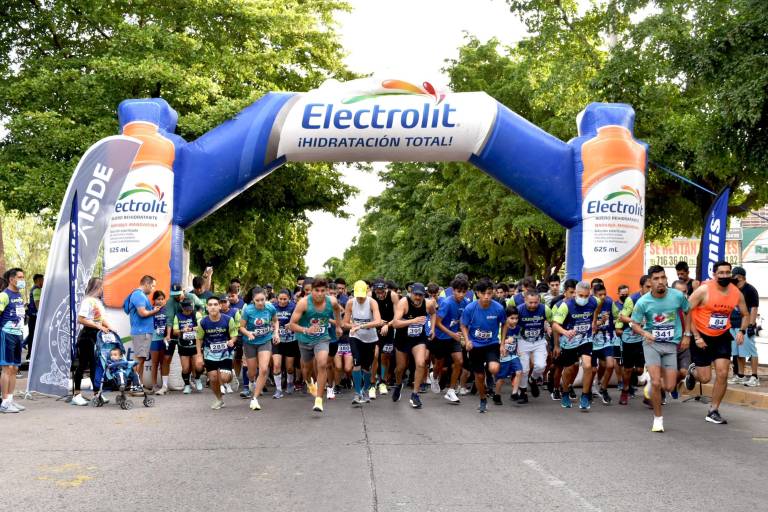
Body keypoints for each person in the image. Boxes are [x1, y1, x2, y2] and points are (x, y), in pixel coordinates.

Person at [685, 260, 749, 424]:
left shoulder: (736, 293)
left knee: (722, 373)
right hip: (702, 336)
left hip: (722, 336)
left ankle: (713, 410)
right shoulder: (704, 290)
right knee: (705, 378)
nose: (725, 275)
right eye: (721, 273)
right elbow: (687, 311)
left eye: (728, 272)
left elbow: (745, 314)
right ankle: (692, 371)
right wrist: (696, 336)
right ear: (714, 275)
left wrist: (741, 331)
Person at [630, 265, 691, 432]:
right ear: (650, 281)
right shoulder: (643, 302)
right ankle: (658, 419)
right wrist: (645, 333)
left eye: (663, 278)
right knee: (657, 382)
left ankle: (652, 384)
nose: (660, 282)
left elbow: (688, 311)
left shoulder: (678, 296)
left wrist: (687, 334)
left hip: (671, 345)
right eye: (656, 279)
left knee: (670, 386)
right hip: (652, 345)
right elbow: (634, 324)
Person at [288, 278, 344, 413]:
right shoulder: (303, 303)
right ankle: (308, 382)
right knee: (306, 369)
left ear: (326, 291)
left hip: (322, 338)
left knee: (322, 363)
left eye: (322, 291)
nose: (319, 293)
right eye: (316, 290)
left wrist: (338, 325)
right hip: (305, 339)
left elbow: (337, 310)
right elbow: (292, 324)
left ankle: (318, 400)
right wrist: (306, 330)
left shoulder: (332, 301)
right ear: (311, 291)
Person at [460, 278, 508, 413]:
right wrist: (467, 340)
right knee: (480, 377)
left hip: (491, 343)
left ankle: (489, 367)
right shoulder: (471, 308)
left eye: (489, 293)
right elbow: (463, 324)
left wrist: (502, 343)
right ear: (478, 293)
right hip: (475, 345)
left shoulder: (498, 308)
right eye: (484, 294)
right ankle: (482, 399)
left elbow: (504, 324)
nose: (487, 297)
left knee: (494, 368)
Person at [552, 280, 598, 411]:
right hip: (569, 341)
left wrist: (594, 321)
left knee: (588, 366)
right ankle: (565, 392)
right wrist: (565, 332)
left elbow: (597, 309)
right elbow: (555, 324)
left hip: (585, 339)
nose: (583, 299)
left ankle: (584, 396)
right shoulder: (566, 305)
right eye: (581, 295)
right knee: (570, 369)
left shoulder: (594, 301)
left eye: (586, 296)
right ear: (575, 294)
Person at [392, 282, 437, 409]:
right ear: (411, 293)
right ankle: (398, 383)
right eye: (416, 295)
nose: (418, 298)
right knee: (401, 368)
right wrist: (412, 321)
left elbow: (433, 314)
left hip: (418, 339)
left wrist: (432, 328)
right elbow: (395, 323)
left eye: (420, 295)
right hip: (403, 339)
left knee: (421, 363)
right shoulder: (403, 303)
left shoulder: (428, 304)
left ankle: (415, 395)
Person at [69, 277, 113, 407]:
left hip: (96, 336)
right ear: (96, 287)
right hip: (86, 336)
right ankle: (77, 394)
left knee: (95, 364)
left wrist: (109, 327)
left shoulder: (98, 302)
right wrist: (98, 326)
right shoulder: (87, 301)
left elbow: (101, 319)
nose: (102, 290)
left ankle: (96, 393)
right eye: (101, 287)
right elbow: (81, 319)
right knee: (82, 364)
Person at [240, 287, 280, 411]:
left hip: (265, 341)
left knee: (263, 369)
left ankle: (255, 398)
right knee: (252, 372)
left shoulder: (270, 308)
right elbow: (241, 327)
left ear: (266, 298)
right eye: (257, 300)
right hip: (250, 342)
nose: (260, 302)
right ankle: (251, 381)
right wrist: (248, 334)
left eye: (262, 299)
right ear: (253, 300)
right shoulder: (247, 310)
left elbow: (276, 321)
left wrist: (276, 333)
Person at [344, 280, 382, 405]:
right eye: (358, 296)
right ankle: (357, 393)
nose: (360, 298)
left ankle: (365, 390)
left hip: (370, 338)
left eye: (362, 295)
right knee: (357, 363)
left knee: (367, 367)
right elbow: (345, 323)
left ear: (366, 292)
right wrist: (352, 326)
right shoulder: (350, 303)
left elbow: (378, 321)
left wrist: (361, 326)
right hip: (355, 336)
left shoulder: (372, 302)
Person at [196, 296, 237, 409]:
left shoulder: (228, 320)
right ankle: (219, 399)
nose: (213, 307)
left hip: (225, 353)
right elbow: (199, 339)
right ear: (207, 307)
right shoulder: (203, 322)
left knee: (224, 378)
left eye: (215, 304)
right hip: (210, 354)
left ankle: (230, 376)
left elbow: (234, 335)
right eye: (210, 305)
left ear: (220, 306)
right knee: (213, 378)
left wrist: (231, 341)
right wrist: (199, 355)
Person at [433, 276, 470, 404]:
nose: (461, 294)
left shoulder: (465, 303)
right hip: (441, 337)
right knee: (439, 365)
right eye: (458, 291)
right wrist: (451, 333)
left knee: (459, 361)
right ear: (453, 290)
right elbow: (438, 323)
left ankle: (451, 391)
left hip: (454, 338)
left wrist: (464, 336)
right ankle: (434, 377)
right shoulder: (446, 303)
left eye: (464, 292)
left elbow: (463, 322)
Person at [618, 275, 652, 405]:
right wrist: (635, 321)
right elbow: (622, 317)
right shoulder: (631, 299)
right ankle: (625, 390)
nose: (650, 290)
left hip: (645, 338)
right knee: (628, 368)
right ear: (641, 287)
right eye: (647, 287)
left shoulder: (655, 299)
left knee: (640, 370)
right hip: (630, 339)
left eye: (651, 287)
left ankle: (647, 392)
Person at [515, 290, 552, 404]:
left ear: (539, 300)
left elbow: (551, 322)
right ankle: (523, 392)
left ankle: (533, 379)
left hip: (539, 341)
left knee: (541, 366)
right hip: (523, 341)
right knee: (524, 369)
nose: (533, 305)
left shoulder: (545, 309)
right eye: (530, 302)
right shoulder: (519, 310)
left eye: (535, 302)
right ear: (525, 300)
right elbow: (512, 325)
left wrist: (549, 327)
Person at [125, 275, 162, 391]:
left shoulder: (140, 295)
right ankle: (135, 386)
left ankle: (138, 385)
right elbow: (142, 313)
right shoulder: (138, 295)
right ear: (146, 284)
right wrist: (155, 311)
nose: (153, 289)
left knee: (140, 360)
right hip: (142, 332)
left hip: (143, 332)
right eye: (153, 286)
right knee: (139, 361)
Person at [1, 268, 27, 413]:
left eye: (23, 277)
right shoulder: (4, 295)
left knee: (15, 368)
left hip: (18, 335)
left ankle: (10, 400)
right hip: (6, 334)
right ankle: (4, 403)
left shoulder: (19, 295)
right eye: (20, 277)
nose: (22, 280)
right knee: (7, 368)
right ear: (11, 279)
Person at [729, 266, 760, 386]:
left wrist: (751, 325)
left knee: (751, 351)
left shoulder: (750, 290)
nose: (735, 280)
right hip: (733, 324)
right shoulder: (733, 290)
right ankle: (740, 375)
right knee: (737, 352)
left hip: (745, 325)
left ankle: (754, 376)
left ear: (742, 278)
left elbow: (753, 308)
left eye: (737, 278)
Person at [591, 283, 620, 405]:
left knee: (610, 365)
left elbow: (617, 317)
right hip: (591, 340)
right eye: (599, 295)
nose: (603, 297)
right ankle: (588, 389)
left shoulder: (610, 302)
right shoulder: (589, 304)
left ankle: (603, 388)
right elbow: (589, 326)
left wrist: (618, 326)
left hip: (607, 339)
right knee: (592, 369)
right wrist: (598, 322)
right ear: (593, 295)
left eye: (604, 294)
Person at [372, 278, 398, 396]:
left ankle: (383, 380)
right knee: (375, 355)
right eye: (378, 292)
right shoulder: (370, 296)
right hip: (375, 327)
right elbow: (368, 314)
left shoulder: (393, 296)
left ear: (386, 289)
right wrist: (377, 322)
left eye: (382, 292)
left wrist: (387, 325)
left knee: (385, 356)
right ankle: (373, 381)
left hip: (389, 326)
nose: (380, 294)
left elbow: (398, 316)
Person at [172, 299, 204, 394]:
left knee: (198, 366)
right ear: (182, 308)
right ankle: (187, 385)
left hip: (195, 345)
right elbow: (175, 331)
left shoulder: (196, 314)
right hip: (183, 346)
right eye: (187, 310)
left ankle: (197, 378)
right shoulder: (177, 316)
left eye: (190, 309)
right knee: (185, 368)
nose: (189, 312)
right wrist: (182, 330)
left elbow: (202, 327)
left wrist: (191, 329)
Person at [493, 307, 522, 405]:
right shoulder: (501, 328)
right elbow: (495, 342)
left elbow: (517, 340)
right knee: (501, 378)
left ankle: (514, 393)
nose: (514, 321)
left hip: (513, 355)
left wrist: (518, 350)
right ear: (506, 318)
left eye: (516, 318)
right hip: (503, 357)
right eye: (512, 318)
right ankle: (496, 395)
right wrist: (505, 341)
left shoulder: (518, 328)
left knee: (519, 371)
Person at [272, 289, 298, 397]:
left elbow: (298, 319)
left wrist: (291, 324)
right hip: (277, 340)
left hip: (291, 340)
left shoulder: (294, 306)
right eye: (280, 299)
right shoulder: (273, 307)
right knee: (277, 365)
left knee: (290, 368)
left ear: (289, 298)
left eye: (285, 299)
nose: (282, 301)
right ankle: (278, 390)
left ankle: (290, 383)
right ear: (277, 299)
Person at [218, 294, 241, 394]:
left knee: (231, 362)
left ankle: (229, 382)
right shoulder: (215, 313)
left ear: (228, 303)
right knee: (220, 363)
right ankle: (222, 384)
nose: (223, 304)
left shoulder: (235, 312)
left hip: (233, 340)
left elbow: (239, 326)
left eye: (224, 302)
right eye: (221, 302)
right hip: (219, 341)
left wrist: (232, 337)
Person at [148, 290, 168, 395]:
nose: (160, 301)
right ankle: (154, 385)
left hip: (164, 339)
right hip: (154, 339)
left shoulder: (167, 310)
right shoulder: (151, 309)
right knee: (154, 363)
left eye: (162, 299)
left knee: (163, 363)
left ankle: (163, 385)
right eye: (158, 299)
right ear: (154, 300)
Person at [24, 273, 43, 361]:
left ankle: (29, 354)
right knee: (33, 336)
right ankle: (30, 355)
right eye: (42, 280)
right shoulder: (37, 290)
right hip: (35, 317)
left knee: (32, 335)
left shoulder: (33, 289)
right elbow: (38, 305)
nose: (43, 281)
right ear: (38, 281)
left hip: (32, 317)